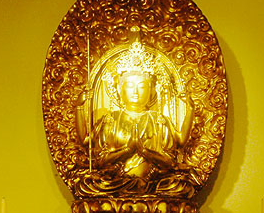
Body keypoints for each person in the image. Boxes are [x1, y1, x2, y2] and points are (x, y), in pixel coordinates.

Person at [74, 37, 196, 198]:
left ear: (151, 90)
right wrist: (126, 150)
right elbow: (99, 160)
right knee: (87, 185)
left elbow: (170, 162)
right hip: (115, 183)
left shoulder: (159, 121)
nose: (136, 92)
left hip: (154, 183)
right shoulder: (110, 120)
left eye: (142, 86)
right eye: (130, 86)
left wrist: (146, 152)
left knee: (181, 187)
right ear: (119, 89)